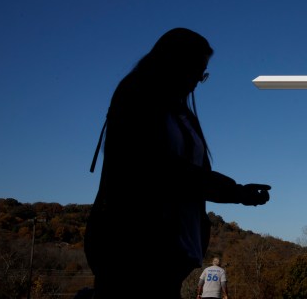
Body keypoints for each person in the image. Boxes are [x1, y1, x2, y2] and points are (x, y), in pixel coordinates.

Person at [84, 28, 271, 299]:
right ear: (173, 62)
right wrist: (234, 191)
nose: (197, 81)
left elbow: (195, 173)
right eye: (196, 70)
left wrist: (237, 192)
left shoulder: (181, 113)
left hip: (173, 252)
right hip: (133, 246)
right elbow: (160, 169)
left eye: (202, 75)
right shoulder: (135, 96)